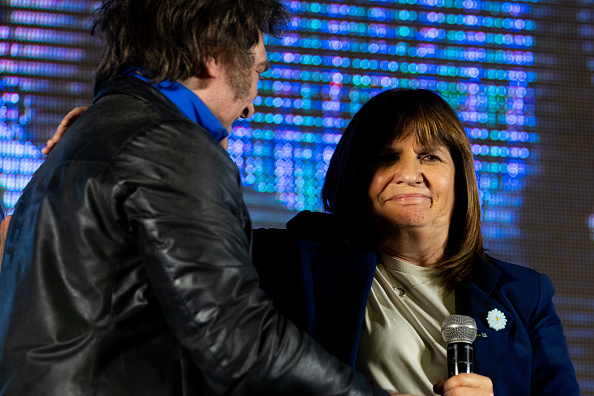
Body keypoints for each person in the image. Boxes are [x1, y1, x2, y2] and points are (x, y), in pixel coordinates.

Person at [0, 0, 396, 394]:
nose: (251, 109)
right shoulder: (168, 144)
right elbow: (237, 340)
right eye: (257, 71)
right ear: (213, 54)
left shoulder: (95, 130)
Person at [251, 89, 580, 395]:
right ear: (356, 178)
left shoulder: (525, 295)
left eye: (429, 157)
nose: (408, 173)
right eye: (387, 157)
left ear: (459, 178)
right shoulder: (304, 260)